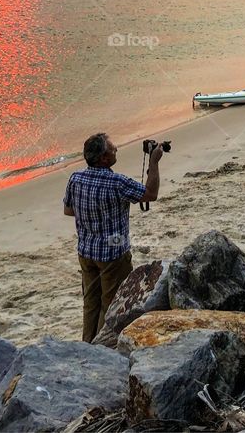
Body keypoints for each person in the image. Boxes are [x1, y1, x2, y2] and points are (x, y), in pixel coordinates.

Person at [64, 133, 162, 342]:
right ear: (104, 159)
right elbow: (150, 194)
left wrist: (93, 215)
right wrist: (153, 162)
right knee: (110, 304)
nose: (116, 149)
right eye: (112, 148)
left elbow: (69, 210)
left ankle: (86, 344)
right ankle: (101, 347)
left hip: (86, 250)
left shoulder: (76, 178)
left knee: (90, 303)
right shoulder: (117, 182)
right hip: (113, 253)